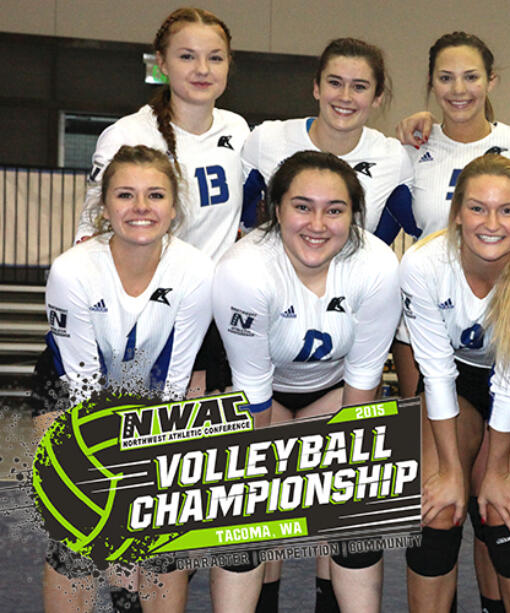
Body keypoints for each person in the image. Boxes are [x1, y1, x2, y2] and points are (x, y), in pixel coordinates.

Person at [209, 150, 400, 613]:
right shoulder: (244, 269)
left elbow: (362, 390)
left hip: (334, 393)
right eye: (302, 206)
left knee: (357, 507)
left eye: (335, 210)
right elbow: (252, 394)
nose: (317, 223)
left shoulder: (376, 266)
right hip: (253, 396)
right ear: (276, 209)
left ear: (354, 216)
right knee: (247, 510)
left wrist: (340, 473)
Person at [38, 145, 213, 613]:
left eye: (155, 195)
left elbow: (177, 385)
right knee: (73, 519)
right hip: (73, 389)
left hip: (157, 391)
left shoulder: (196, 272)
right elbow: (81, 391)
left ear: (174, 208)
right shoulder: (71, 271)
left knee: (164, 529)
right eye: (125, 195)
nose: (140, 208)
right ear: (104, 205)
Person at [400, 154, 510, 613]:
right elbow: (435, 371)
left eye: (507, 210)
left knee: (503, 519)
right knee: (435, 515)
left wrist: (497, 471)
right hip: (455, 378)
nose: (492, 223)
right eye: (477, 208)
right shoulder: (423, 264)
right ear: (456, 214)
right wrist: (452, 472)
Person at [73, 7, 248, 403]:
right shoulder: (128, 134)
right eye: (187, 56)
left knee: (192, 452)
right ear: (162, 63)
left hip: (209, 318)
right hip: (140, 315)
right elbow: (90, 232)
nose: (202, 68)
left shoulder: (238, 130)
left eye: (215, 57)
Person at [391, 31, 510, 486]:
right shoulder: (409, 148)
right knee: (434, 476)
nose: (459, 90)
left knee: (491, 487)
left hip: (506, 322)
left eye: (471, 77)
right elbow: (378, 237)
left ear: (491, 81)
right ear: (432, 84)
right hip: (425, 324)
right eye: (446, 78)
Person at [241, 38, 415, 245]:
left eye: (359, 87)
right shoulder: (267, 139)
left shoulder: (393, 156)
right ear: (316, 88)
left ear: (377, 97)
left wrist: (431, 128)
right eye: (334, 83)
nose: (345, 97)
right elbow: (233, 219)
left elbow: (427, 228)